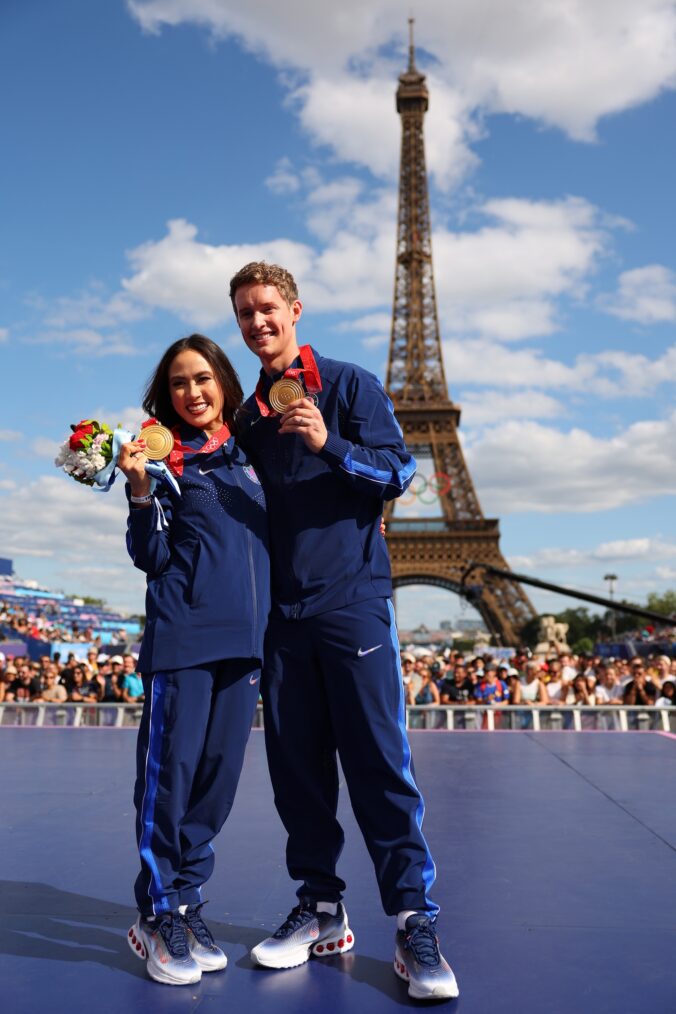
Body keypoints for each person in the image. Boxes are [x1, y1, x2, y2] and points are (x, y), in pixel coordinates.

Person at [231, 261, 458, 1002]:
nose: (257, 323)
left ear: (295, 309)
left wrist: (330, 443)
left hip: (353, 604)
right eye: (245, 313)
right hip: (284, 616)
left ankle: (414, 918)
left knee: (379, 764)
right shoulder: (247, 417)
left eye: (268, 308)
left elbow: (398, 474)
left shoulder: (351, 384)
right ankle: (322, 907)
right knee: (297, 772)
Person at [118, 334, 270, 987]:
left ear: (224, 383)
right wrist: (138, 495)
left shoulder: (252, 456)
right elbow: (150, 557)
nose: (193, 391)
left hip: (246, 644)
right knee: (170, 780)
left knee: (216, 783)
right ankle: (155, 916)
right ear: (167, 395)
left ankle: (187, 899)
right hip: (184, 640)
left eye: (202, 377)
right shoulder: (166, 465)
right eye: (179, 382)